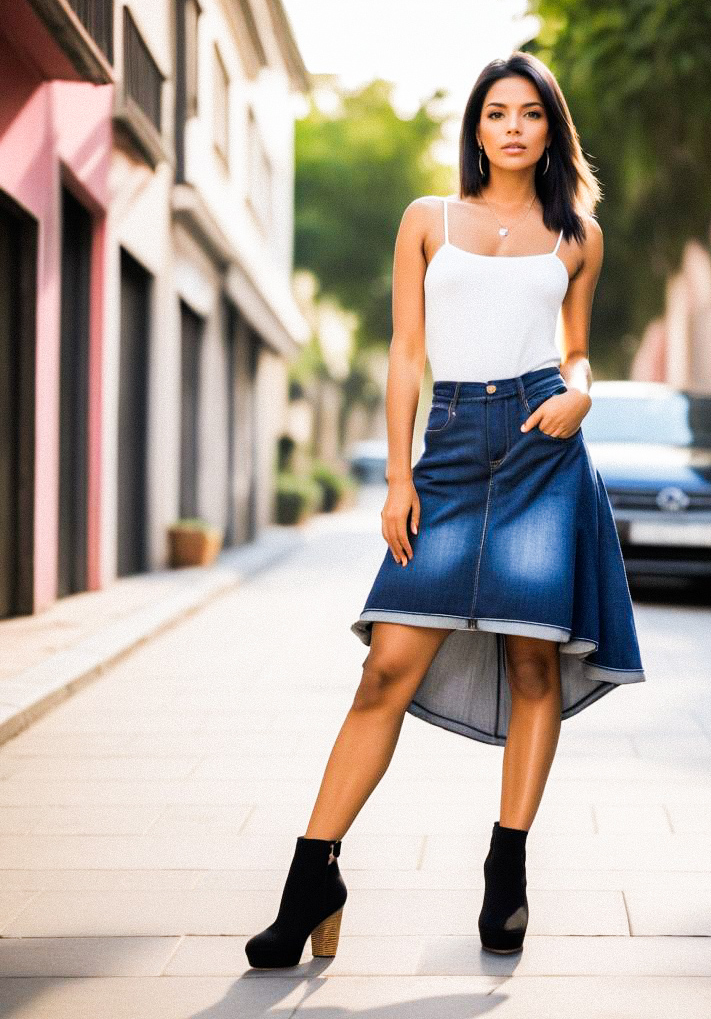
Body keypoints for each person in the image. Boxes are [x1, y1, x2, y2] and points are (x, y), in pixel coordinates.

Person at [245, 50, 646, 969]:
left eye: (530, 113)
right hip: (455, 444)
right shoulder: (427, 220)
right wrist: (398, 477)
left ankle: (506, 871)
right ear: (476, 128)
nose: (512, 126)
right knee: (387, 663)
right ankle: (314, 876)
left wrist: (584, 390)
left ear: (551, 128)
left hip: (545, 443)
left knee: (533, 664)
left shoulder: (575, 234)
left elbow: (577, 349)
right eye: (496, 112)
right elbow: (403, 354)